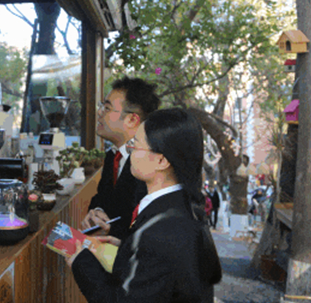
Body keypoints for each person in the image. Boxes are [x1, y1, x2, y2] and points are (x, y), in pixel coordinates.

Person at [68, 108, 222, 302]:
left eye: (135, 144)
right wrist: (127, 250)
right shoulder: (180, 208)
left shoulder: (160, 232)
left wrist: (80, 261)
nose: (130, 150)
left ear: (161, 160)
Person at [81, 77, 160, 238]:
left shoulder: (149, 163)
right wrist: (97, 212)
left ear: (132, 119)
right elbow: (102, 197)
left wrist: (111, 230)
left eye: (107, 108)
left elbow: (145, 225)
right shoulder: (113, 154)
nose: (99, 112)